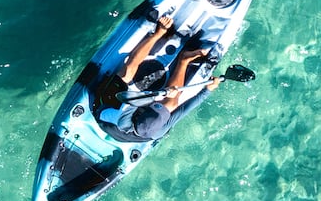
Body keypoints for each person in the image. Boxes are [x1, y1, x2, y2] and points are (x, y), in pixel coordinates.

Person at [98, 13, 248, 141]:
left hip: (108, 111)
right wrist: (208, 89)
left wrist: (156, 95)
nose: (164, 111)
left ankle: (159, 33)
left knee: (127, 73)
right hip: (136, 116)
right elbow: (185, 108)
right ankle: (184, 59)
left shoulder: (122, 120)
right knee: (172, 103)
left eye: (158, 107)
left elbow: (132, 97)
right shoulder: (161, 129)